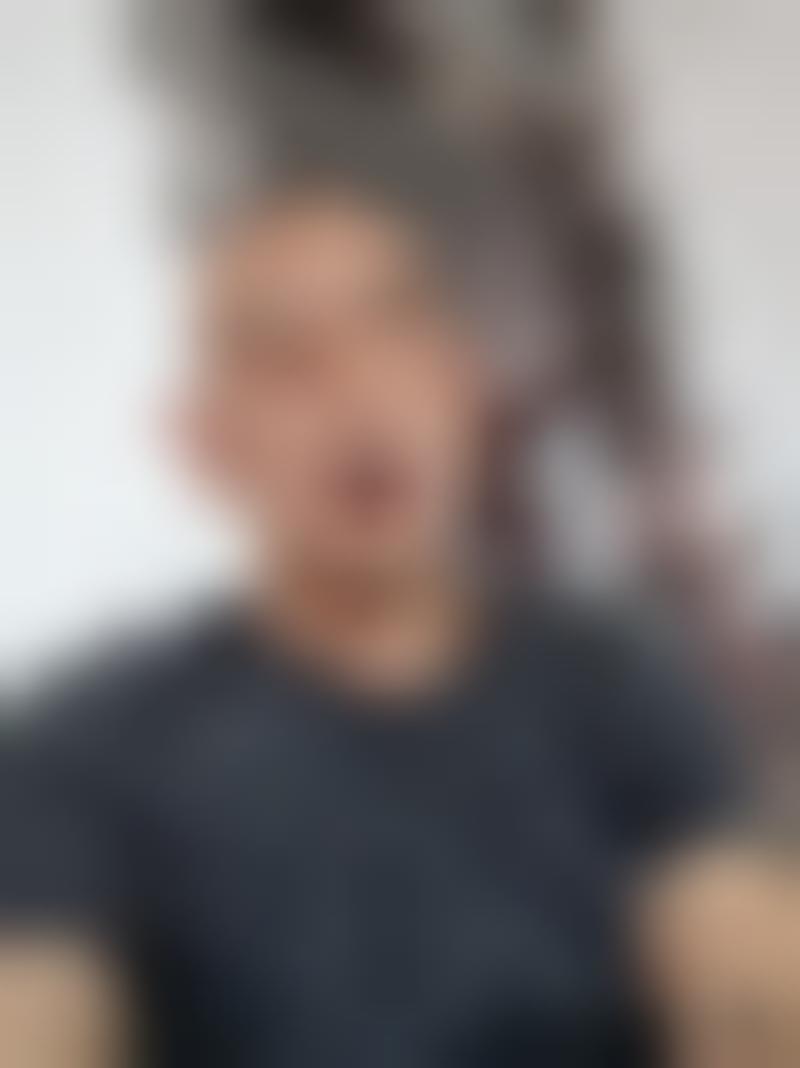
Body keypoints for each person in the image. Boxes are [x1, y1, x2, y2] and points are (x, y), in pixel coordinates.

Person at [1, 176, 740, 1067]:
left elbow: (748, 999)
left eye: (397, 328)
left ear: (467, 383)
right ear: (206, 440)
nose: (360, 393)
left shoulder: (614, 676)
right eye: (285, 357)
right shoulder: (78, 753)